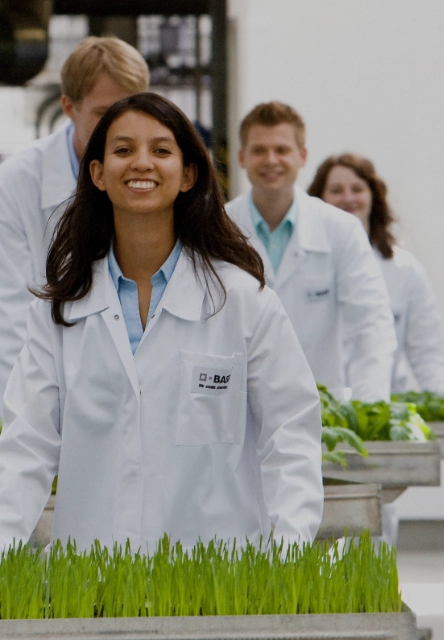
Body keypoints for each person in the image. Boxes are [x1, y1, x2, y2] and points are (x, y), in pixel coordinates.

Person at [0, 93, 324, 552]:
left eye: (162, 150)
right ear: (97, 173)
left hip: (217, 580)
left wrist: (289, 550)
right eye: (123, 150)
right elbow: (25, 447)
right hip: (95, 579)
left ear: (188, 174)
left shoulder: (243, 302)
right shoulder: (61, 312)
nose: (142, 164)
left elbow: (291, 435)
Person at [0, 36, 150, 416]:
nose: (120, 127)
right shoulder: (17, 183)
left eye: (131, 109)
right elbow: (12, 317)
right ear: (68, 107)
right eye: (104, 113)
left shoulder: (157, 176)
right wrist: (33, 422)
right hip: (50, 396)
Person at [226, 102, 397, 402]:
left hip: (320, 413)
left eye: (282, 150)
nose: (271, 160)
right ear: (242, 157)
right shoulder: (219, 228)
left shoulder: (340, 229)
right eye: (259, 150)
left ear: (302, 156)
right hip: (238, 409)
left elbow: (370, 325)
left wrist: (368, 407)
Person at [308, 153, 444, 394]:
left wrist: (443, 413)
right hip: (320, 408)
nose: (348, 198)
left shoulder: (405, 270)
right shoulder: (304, 262)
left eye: (357, 189)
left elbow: (429, 351)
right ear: (319, 199)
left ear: (373, 197)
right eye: (336, 190)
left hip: (380, 409)